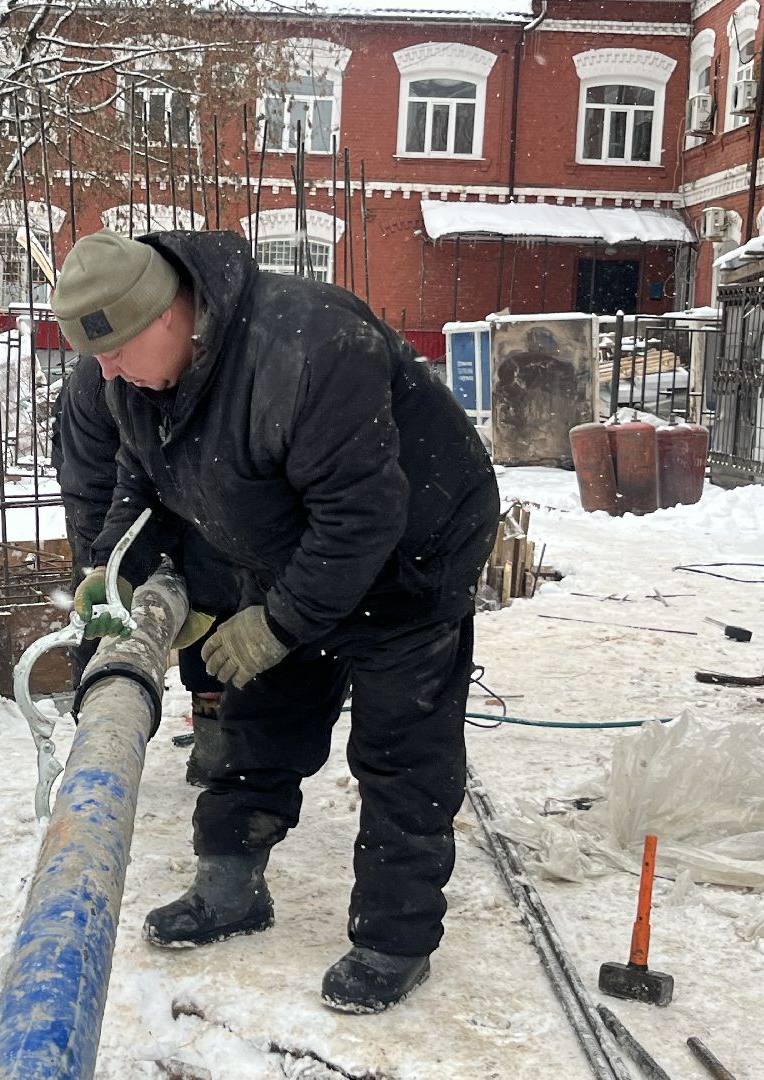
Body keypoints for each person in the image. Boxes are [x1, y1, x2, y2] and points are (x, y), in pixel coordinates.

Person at [52, 228, 498, 1014]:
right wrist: (112, 565)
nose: (106, 372)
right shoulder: (133, 373)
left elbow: (362, 517)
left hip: (412, 560)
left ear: (166, 316)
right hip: (291, 547)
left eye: (116, 352)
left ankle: (394, 940)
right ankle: (230, 888)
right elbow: (140, 477)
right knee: (262, 716)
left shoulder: (311, 348)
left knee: (401, 750)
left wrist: (279, 622)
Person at [51, 351, 238, 785]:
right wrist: (108, 566)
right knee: (96, 616)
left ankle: (214, 742)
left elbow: (209, 502)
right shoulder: (99, 384)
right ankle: (100, 742)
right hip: (103, 497)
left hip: (189, 490)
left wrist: (207, 590)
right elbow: (94, 494)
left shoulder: (184, 372)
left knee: (211, 607)